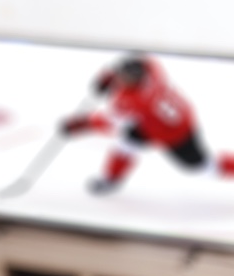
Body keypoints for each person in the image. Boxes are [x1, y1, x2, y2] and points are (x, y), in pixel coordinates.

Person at [60, 55, 234, 194]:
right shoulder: (152, 71)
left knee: (204, 168)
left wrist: (81, 124)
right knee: (125, 146)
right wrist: (110, 75)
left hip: (174, 135)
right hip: (167, 121)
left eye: (124, 77)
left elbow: (109, 122)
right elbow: (143, 59)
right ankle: (111, 179)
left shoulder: (131, 101)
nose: (120, 80)